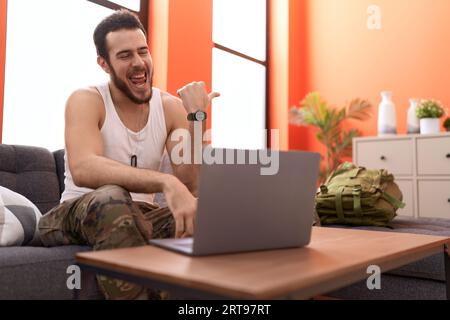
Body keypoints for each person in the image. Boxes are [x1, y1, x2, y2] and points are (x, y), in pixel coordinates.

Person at [38, 9, 219, 300]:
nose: (138, 63)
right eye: (124, 56)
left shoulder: (170, 107)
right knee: (112, 196)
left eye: (143, 51)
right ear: (104, 64)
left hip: (142, 216)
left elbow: (191, 182)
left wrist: (197, 118)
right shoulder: (86, 100)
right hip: (78, 213)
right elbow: (84, 167)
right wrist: (164, 182)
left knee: (208, 214)